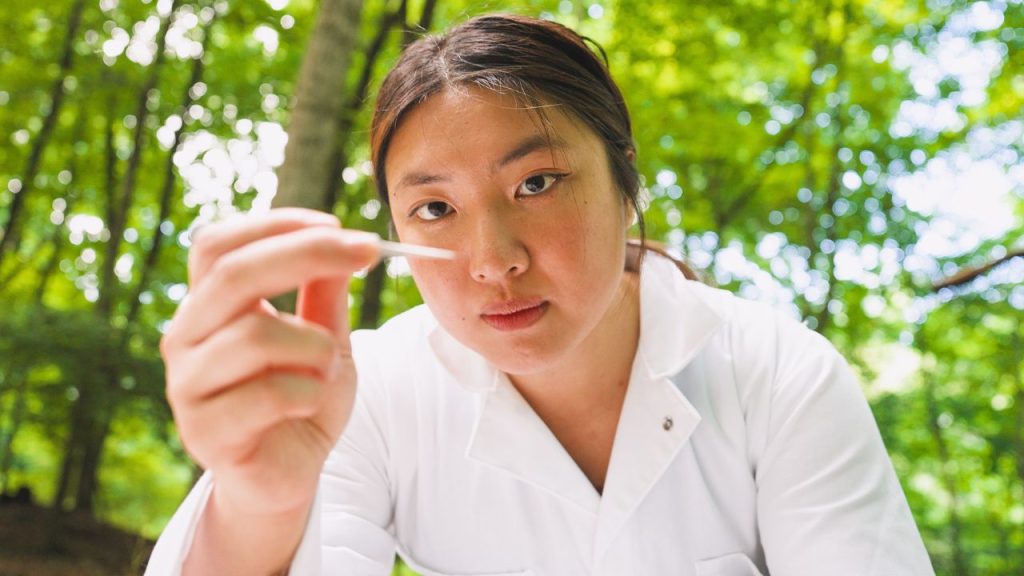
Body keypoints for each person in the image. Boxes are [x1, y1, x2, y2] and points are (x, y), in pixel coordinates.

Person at [146, 13, 934, 576]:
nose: (492, 261)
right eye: (434, 210)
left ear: (625, 182)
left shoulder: (777, 375)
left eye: (536, 182)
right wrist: (260, 506)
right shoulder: (363, 394)